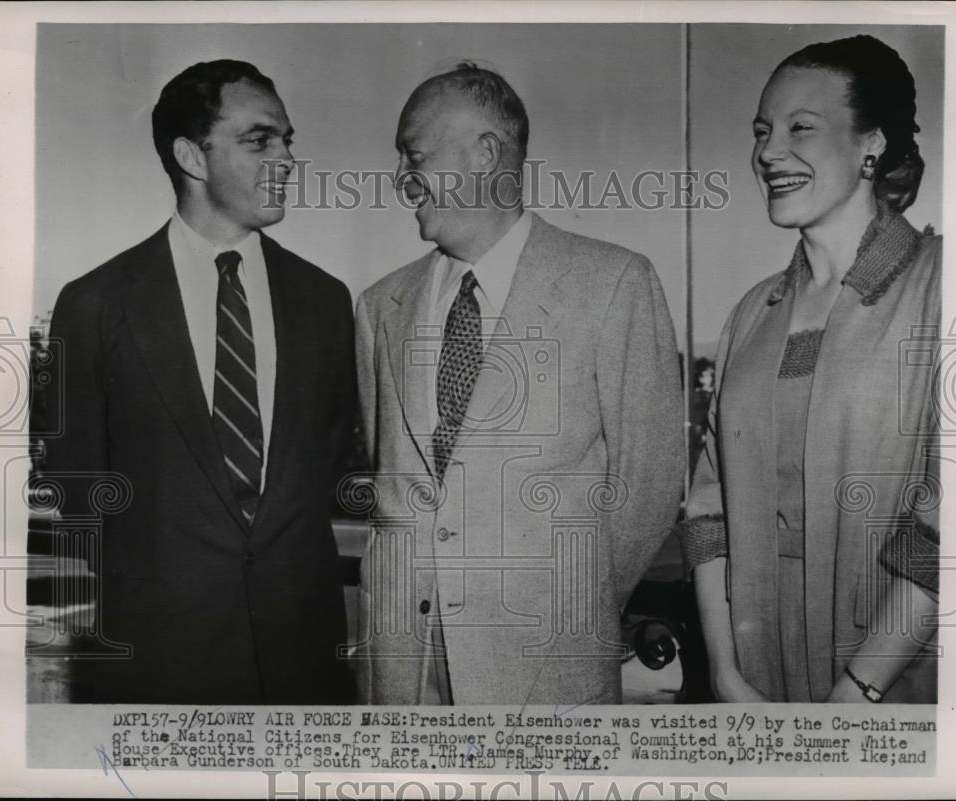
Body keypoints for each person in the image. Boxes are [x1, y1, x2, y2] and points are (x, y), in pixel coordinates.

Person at [351, 63, 684, 704]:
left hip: (547, 668)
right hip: (400, 670)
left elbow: (649, 484)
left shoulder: (613, 283)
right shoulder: (378, 306)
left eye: (413, 155)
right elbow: (388, 476)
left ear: (485, 154)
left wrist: (568, 611)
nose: (399, 180)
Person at [44, 60, 356, 703]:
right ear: (191, 155)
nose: (288, 159)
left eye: (288, 139)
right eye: (259, 140)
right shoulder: (95, 303)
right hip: (159, 667)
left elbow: (325, 465)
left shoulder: (326, 301)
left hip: (303, 663)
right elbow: (79, 491)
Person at [679, 35, 940, 703]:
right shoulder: (749, 315)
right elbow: (708, 514)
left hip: (896, 691)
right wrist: (727, 672)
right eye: (763, 132)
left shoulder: (946, 289)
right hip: (755, 689)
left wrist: (859, 690)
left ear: (870, 146)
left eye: (801, 128)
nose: (768, 152)